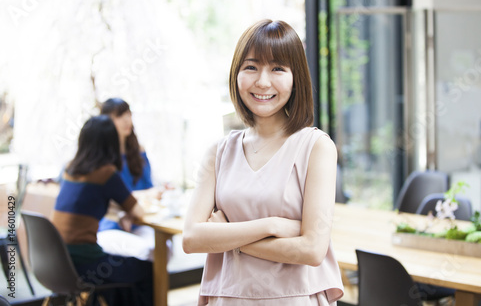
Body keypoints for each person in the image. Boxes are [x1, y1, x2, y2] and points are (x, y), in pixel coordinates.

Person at [182, 19, 344, 305]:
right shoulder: (218, 152)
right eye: (251, 67)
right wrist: (272, 225)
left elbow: (312, 250)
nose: (263, 81)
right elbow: (192, 238)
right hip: (228, 298)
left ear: (296, 78)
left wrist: (226, 236)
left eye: (278, 68)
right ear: (236, 74)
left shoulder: (316, 147)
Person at [51, 115, 153, 306]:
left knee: (122, 263)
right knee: (147, 269)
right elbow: (138, 212)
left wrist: (120, 213)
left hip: (57, 263)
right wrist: (126, 211)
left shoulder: (70, 169)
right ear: (111, 143)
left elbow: (87, 205)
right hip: (84, 265)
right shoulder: (106, 173)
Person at [97, 98, 163, 262]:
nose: (127, 120)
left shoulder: (139, 153)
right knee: (146, 251)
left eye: (128, 114)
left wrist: (129, 209)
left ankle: (149, 288)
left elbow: (151, 191)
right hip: (110, 224)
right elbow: (108, 199)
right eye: (120, 116)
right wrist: (126, 207)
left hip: (138, 221)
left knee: (163, 248)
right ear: (106, 121)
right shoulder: (100, 158)